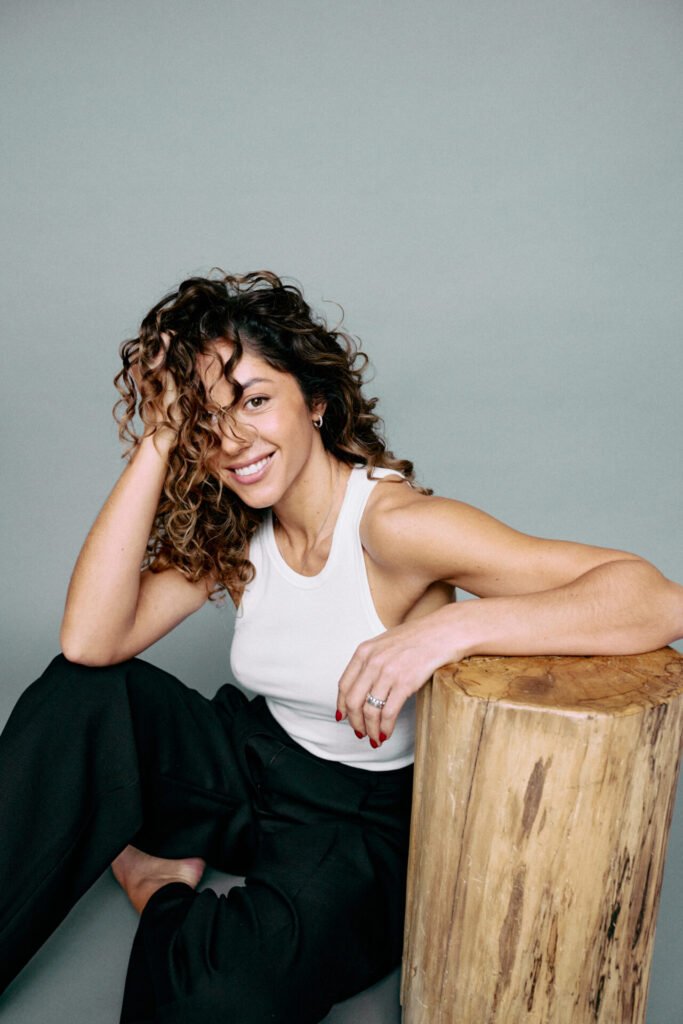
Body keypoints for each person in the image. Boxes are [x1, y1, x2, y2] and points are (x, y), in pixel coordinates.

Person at [0, 270, 681, 1023]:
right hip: (255, 762)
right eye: (206, 417)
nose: (232, 440)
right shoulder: (239, 524)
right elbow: (91, 642)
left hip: (359, 820)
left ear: (316, 401)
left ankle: (158, 885)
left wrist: (449, 630)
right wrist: (161, 435)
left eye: (254, 401)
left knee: (220, 999)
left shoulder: (393, 527)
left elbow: (656, 600)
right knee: (80, 693)